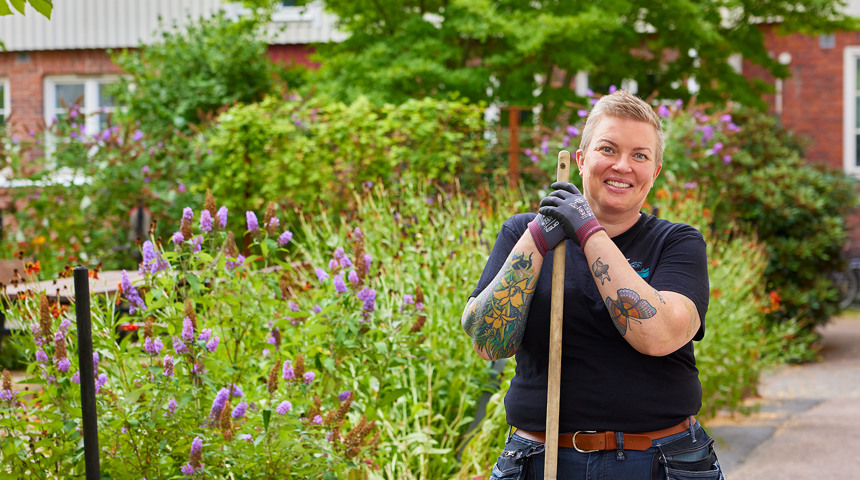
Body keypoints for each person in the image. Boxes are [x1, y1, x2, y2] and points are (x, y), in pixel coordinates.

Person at [461, 90, 724, 480]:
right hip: (539, 459)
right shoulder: (523, 233)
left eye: (639, 155)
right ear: (581, 161)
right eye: (608, 149)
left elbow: (660, 336)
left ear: (654, 172)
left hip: (660, 460)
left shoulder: (677, 242)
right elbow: (488, 341)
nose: (623, 165)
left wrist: (587, 229)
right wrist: (537, 238)